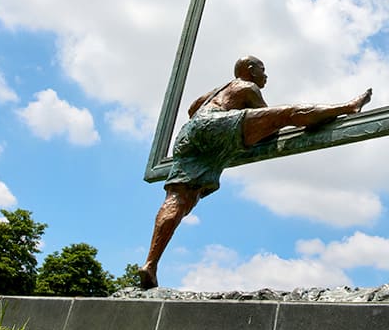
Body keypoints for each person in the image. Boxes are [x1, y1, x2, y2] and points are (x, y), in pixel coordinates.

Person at [139, 55, 371, 289]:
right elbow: (269, 123)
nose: (265, 75)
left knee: (178, 199)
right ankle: (347, 107)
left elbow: (192, 109)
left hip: (188, 135)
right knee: (287, 114)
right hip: (213, 125)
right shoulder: (247, 86)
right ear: (250, 70)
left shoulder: (217, 90)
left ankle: (151, 263)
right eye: (262, 69)